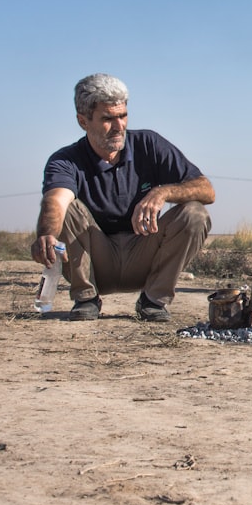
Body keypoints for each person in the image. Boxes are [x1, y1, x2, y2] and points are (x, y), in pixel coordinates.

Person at [30, 74, 215, 322]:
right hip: (97, 262)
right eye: (107, 119)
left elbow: (206, 190)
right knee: (69, 209)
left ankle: (153, 301)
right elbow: (56, 201)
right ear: (83, 121)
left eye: (123, 116)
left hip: (144, 254)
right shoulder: (65, 160)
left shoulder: (149, 144)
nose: (119, 126)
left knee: (195, 213)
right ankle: (86, 298)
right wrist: (46, 235)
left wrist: (162, 192)